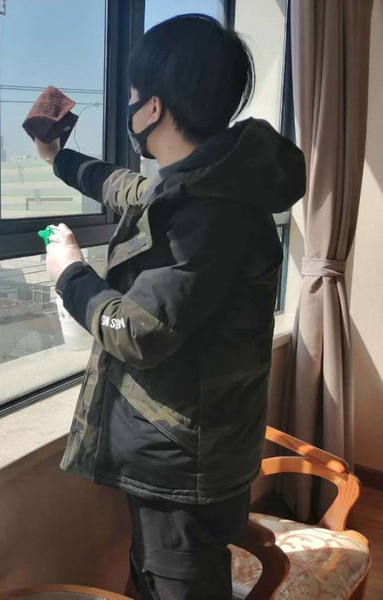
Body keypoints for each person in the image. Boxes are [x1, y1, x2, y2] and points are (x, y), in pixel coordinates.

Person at [35, 14, 305, 600]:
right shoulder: (209, 181)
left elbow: (139, 332)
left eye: (133, 95)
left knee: (178, 585)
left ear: (152, 107)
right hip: (199, 442)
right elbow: (128, 189)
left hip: (184, 458)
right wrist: (59, 158)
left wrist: (70, 274)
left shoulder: (207, 212)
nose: (130, 107)